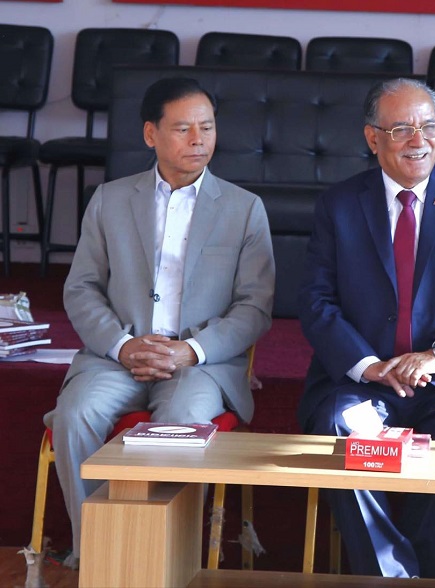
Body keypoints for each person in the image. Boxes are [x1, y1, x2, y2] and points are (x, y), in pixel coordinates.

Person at [45, 76, 275, 565]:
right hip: (118, 357)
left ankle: (161, 553)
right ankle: (98, 551)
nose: (198, 140)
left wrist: (191, 350)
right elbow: (81, 288)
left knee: (182, 422)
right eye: (183, 128)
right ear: (151, 134)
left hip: (198, 364)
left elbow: (255, 306)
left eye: (207, 128)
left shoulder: (244, 209)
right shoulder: (110, 199)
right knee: (75, 414)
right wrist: (122, 345)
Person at [297, 78, 435, 578]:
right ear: (372, 137)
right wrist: (367, 365)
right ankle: (396, 576)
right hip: (365, 379)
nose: (419, 140)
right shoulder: (339, 204)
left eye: (429, 126)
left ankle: (412, 570)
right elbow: (315, 300)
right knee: (341, 430)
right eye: (401, 129)